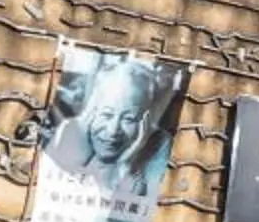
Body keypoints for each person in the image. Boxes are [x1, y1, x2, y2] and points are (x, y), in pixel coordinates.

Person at [44, 56, 175, 192]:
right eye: (107, 115)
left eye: (129, 119)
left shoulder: (159, 144)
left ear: (146, 121)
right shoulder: (69, 131)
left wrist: (127, 163)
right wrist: (78, 160)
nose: (112, 131)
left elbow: (137, 199)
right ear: (93, 109)